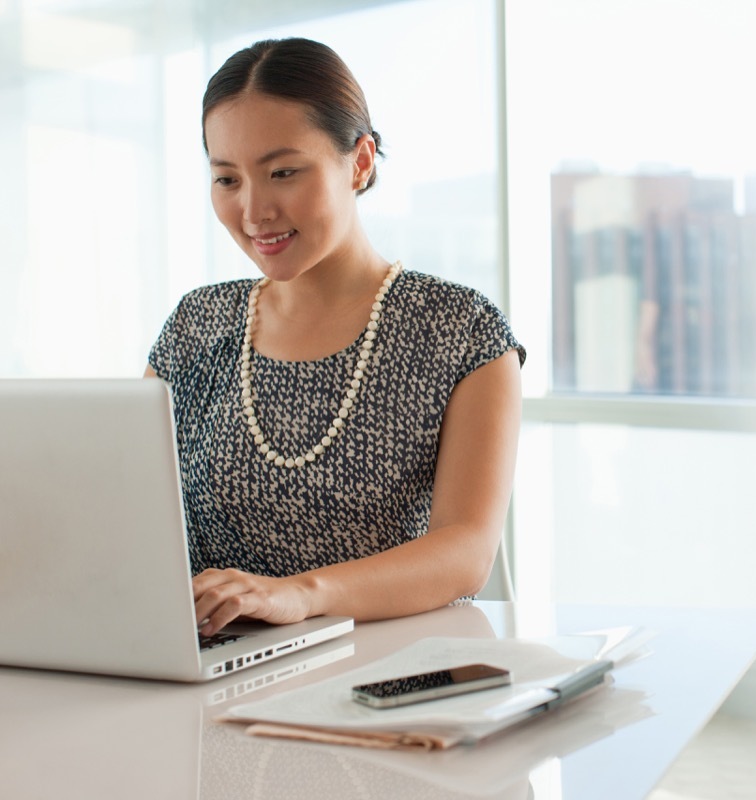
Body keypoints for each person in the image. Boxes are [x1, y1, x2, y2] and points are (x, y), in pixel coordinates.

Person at [146, 38, 524, 637]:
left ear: (360, 161)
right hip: (207, 672)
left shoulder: (459, 331)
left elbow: (466, 553)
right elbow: (129, 518)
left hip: (382, 680)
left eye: (283, 172)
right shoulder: (197, 325)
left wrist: (301, 595)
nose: (254, 209)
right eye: (226, 179)